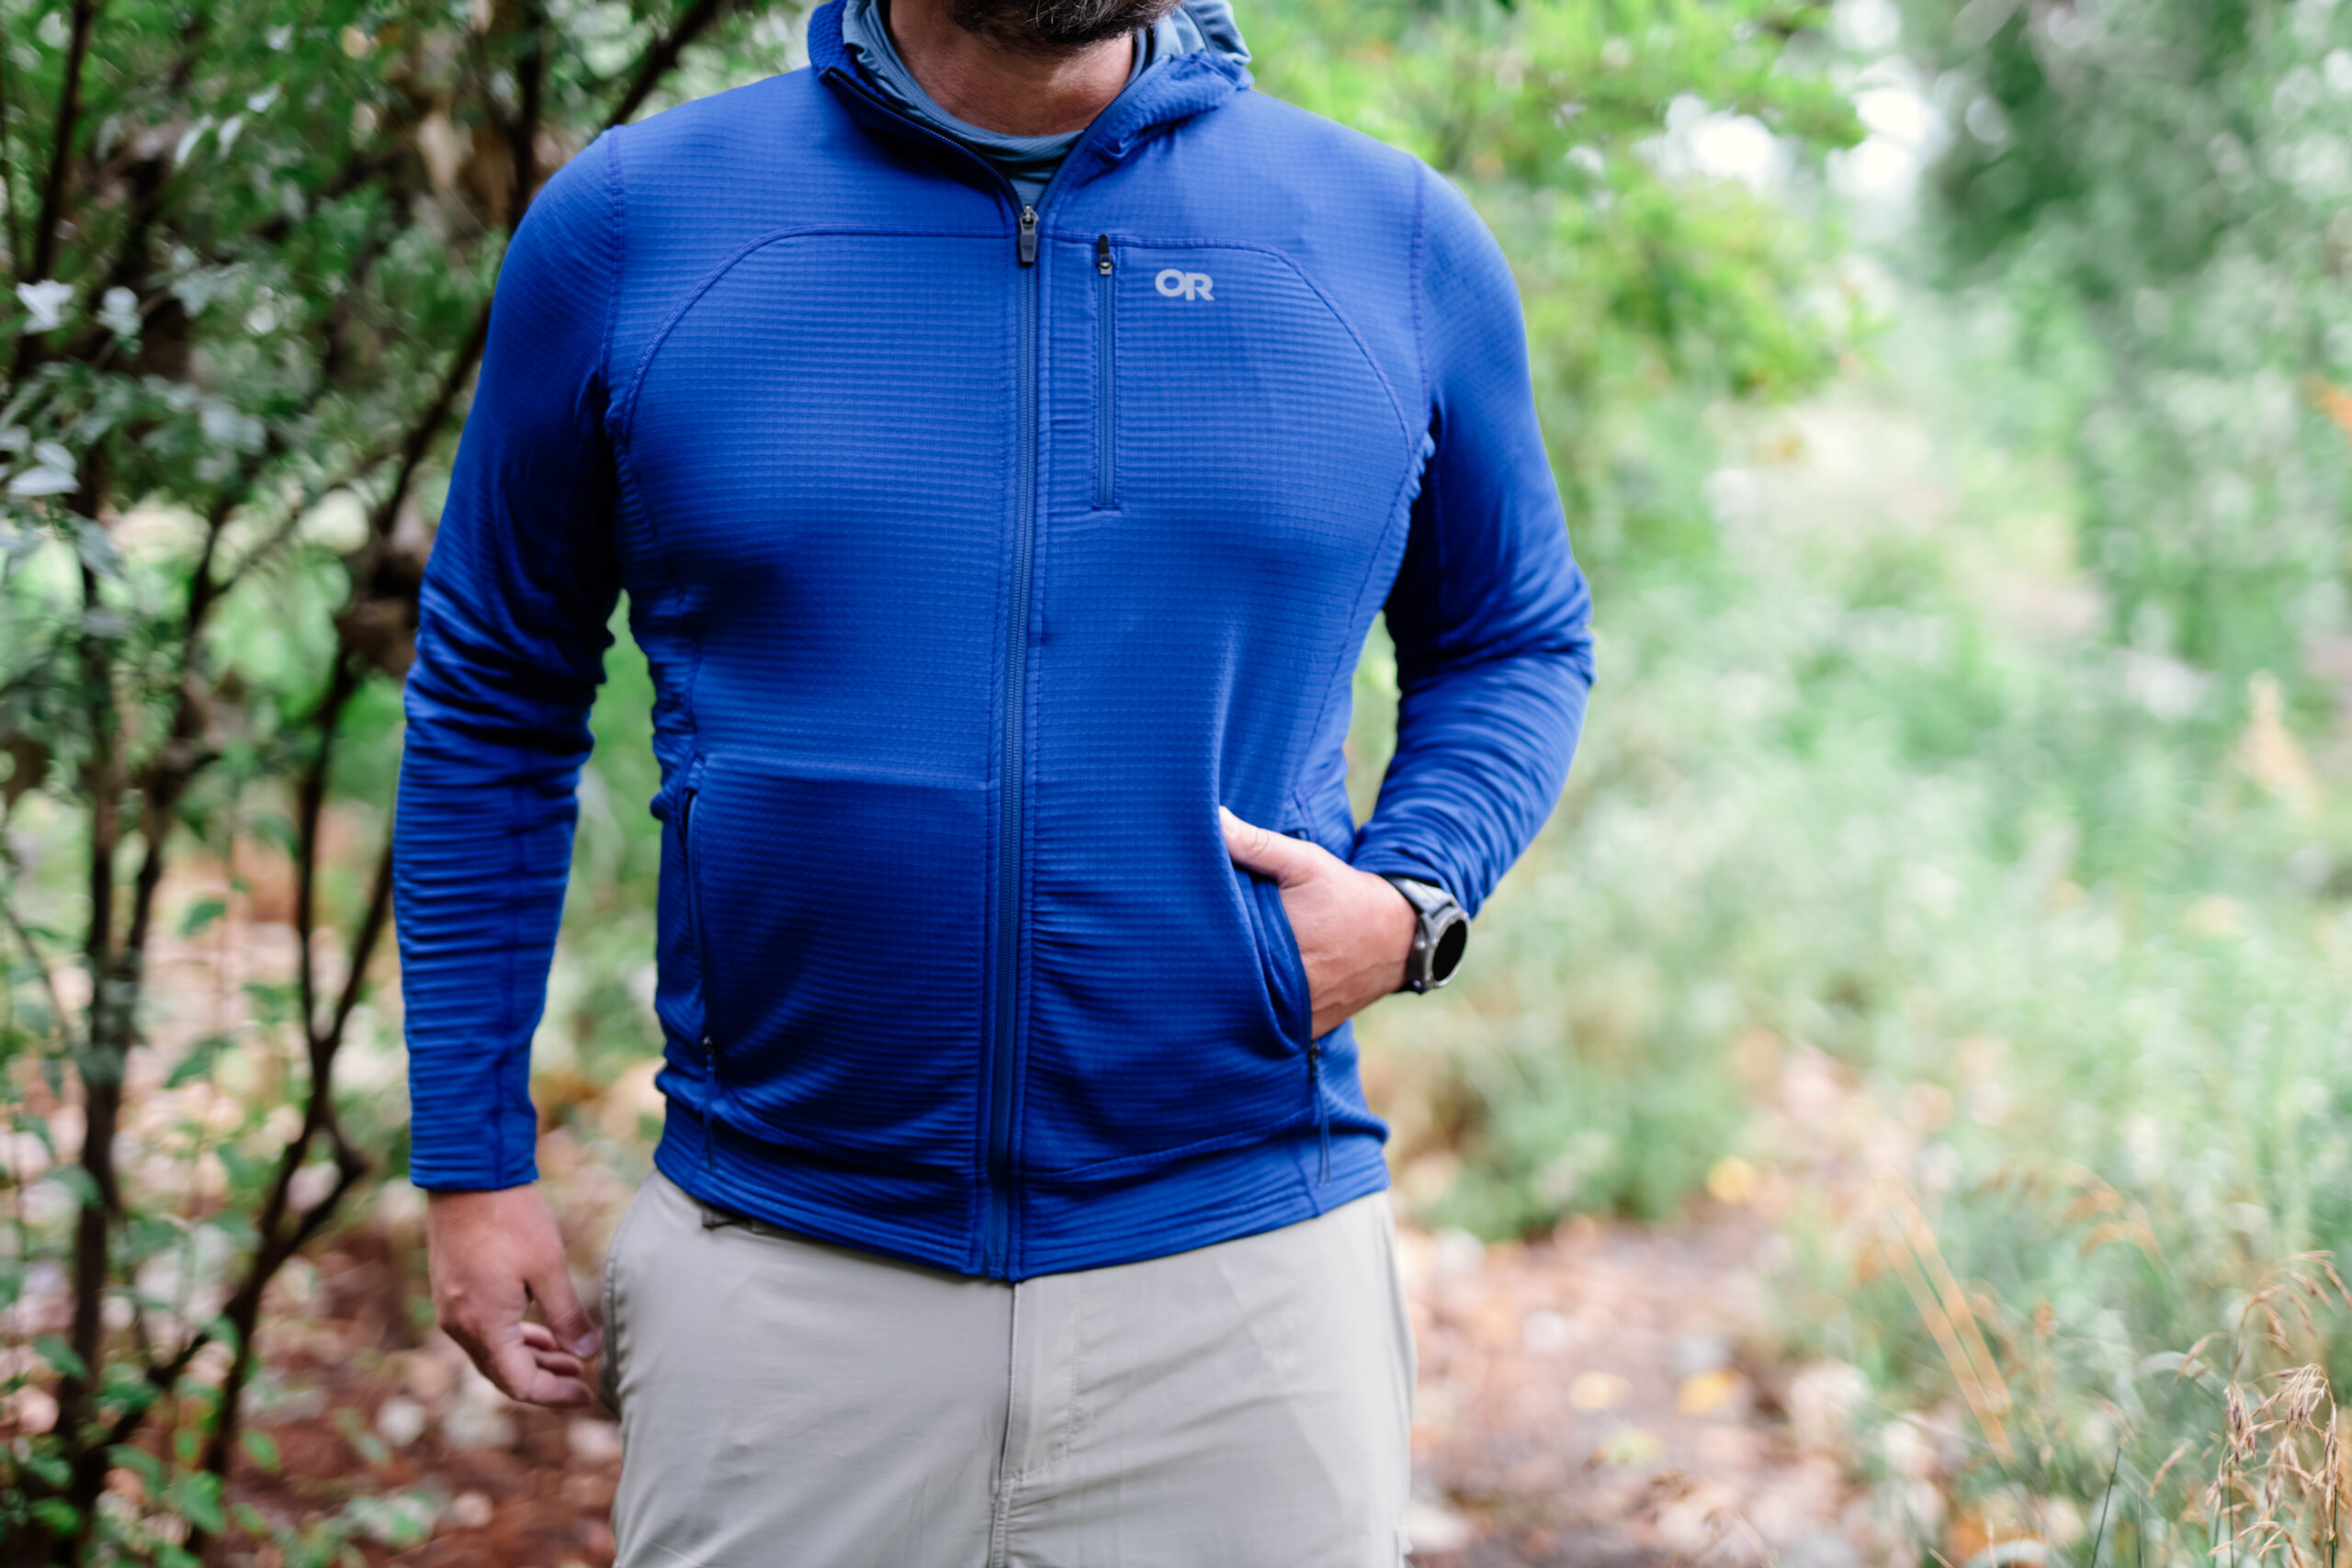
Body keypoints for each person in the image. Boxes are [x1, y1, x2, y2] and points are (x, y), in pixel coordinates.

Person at [391, 0, 1593, 1556]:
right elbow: (493, 691)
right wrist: (472, 1167)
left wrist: (1417, 893)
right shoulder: (638, 223)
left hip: (1241, 1276)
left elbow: (1515, 639)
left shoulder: (1391, 238)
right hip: (787, 1274)